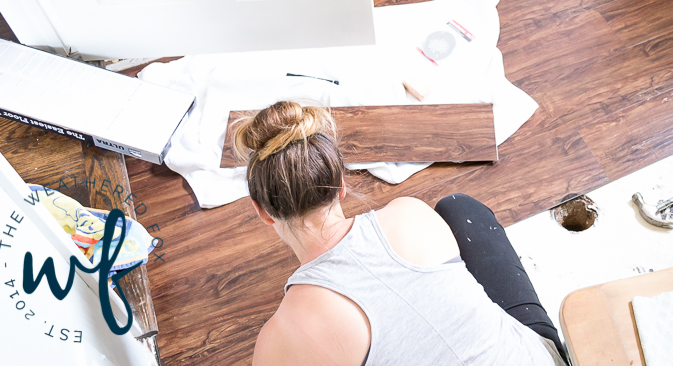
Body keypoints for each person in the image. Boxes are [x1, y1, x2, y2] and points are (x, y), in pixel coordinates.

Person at [234, 101, 568, 366]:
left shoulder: (281, 340)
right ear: (341, 187)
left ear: (261, 210)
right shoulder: (409, 215)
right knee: (459, 207)